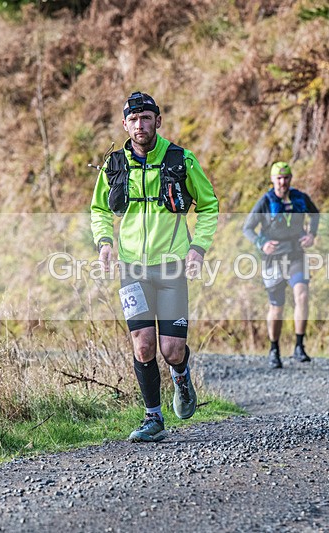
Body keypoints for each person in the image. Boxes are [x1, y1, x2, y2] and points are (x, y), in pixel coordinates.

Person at [91, 91, 219, 442]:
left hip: (172, 267)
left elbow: (209, 205)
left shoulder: (181, 160)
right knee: (143, 345)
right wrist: (105, 242)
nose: (140, 125)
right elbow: (99, 209)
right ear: (125, 124)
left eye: (146, 118)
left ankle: (181, 376)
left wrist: (198, 249)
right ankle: (153, 417)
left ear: (157, 121)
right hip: (132, 268)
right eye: (133, 120)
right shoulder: (115, 164)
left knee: (171, 350)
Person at [243, 162, 320, 369]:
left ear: (290, 179)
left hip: (296, 255)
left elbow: (315, 214)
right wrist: (262, 243)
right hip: (273, 259)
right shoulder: (265, 201)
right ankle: (274, 349)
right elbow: (248, 228)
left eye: (286, 178)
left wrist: (312, 234)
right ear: (272, 180)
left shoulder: (300, 197)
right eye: (279, 178)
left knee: (302, 296)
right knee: (277, 307)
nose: (283, 182)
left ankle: (299, 347)